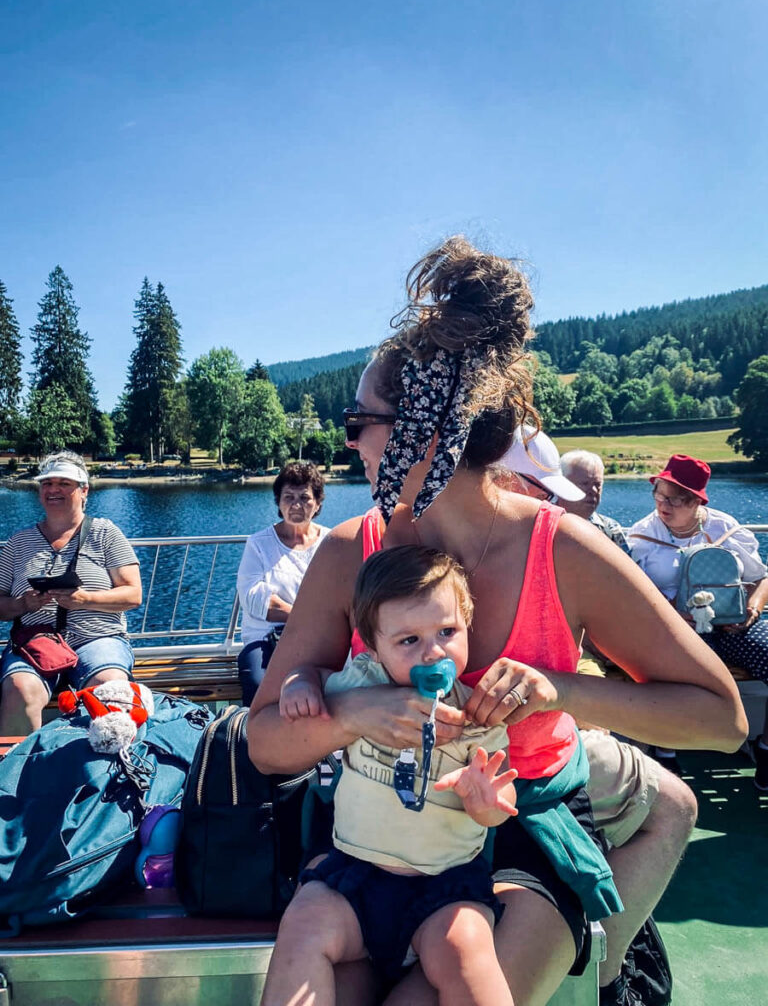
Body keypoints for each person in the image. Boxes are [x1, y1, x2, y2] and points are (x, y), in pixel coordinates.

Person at [248, 237, 746, 1006]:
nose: (348, 441)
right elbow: (267, 743)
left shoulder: (562, 551)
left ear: (428, 429)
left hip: (524, 829)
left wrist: (560, 690)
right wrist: (352, 711)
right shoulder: (351, 553)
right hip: (388, 836)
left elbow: (722, 720)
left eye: (359, 421)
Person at [264, 546, 517, 1006]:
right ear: (373, 644)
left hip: (445, 889)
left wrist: (486, 800)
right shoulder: (360, 684)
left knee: (468, 951)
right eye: (408, 641)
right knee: (302, 926)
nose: (433, 651)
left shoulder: (478, 716)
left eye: (447, 631)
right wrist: (298, 683)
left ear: (467, 627)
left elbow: (496, 804)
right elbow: (310, 672)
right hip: (356, 877)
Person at [627, 453, 768, 789]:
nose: (664, 505)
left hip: (731, 627)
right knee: (665, 666)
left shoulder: (726, 529)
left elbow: (762, 579)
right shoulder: (642, 537)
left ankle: (765, 748)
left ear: (696, 501)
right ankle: (665, 750)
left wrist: (752, 609)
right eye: (659, 495)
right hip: (670, 629)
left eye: (675, 499)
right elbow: (627, 593)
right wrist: (671, 614)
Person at [0, 451, 142, 736]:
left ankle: (108, 774)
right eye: (47, 483)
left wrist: (85, 599)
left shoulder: (105, 533)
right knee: (19, 689)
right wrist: (24, 604)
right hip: (36, 643)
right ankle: (13, 772)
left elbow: (133, 594)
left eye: (64, 483)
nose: (53, 490)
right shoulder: (18, 543)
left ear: (84, 490)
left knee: (110, 688)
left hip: (98, 639)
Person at [236, 461, 329, 705]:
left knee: (338, 684)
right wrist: (304, 616)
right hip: (265, 638)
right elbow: (252, 596)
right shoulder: (258, 544)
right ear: (278, 501)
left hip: (319, 638)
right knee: (259, 685)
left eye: (305, 498)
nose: (296, 505)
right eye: (288, 497)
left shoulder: (332, 542)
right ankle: (253, 740)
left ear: (318, 503)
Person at [559, 450, 630, 553]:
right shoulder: (540, 523)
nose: (594, 490)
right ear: (562, 484)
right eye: (585, 483)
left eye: (597, 484)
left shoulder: (611, 530)